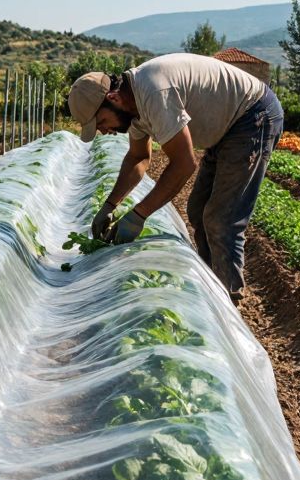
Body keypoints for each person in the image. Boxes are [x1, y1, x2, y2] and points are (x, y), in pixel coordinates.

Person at [67, 52, 283, 304]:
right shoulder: (132, 108)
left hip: (253, 116)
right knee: (197, 210)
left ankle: (228, 299)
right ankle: (212, 284)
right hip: (225, 128)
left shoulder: (154, 92)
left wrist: (138, 215)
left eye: (101, 121)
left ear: (113, 98)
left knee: (221, 219)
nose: (104, 131)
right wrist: (109, 206)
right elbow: (138, 158)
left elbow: (183, 164)